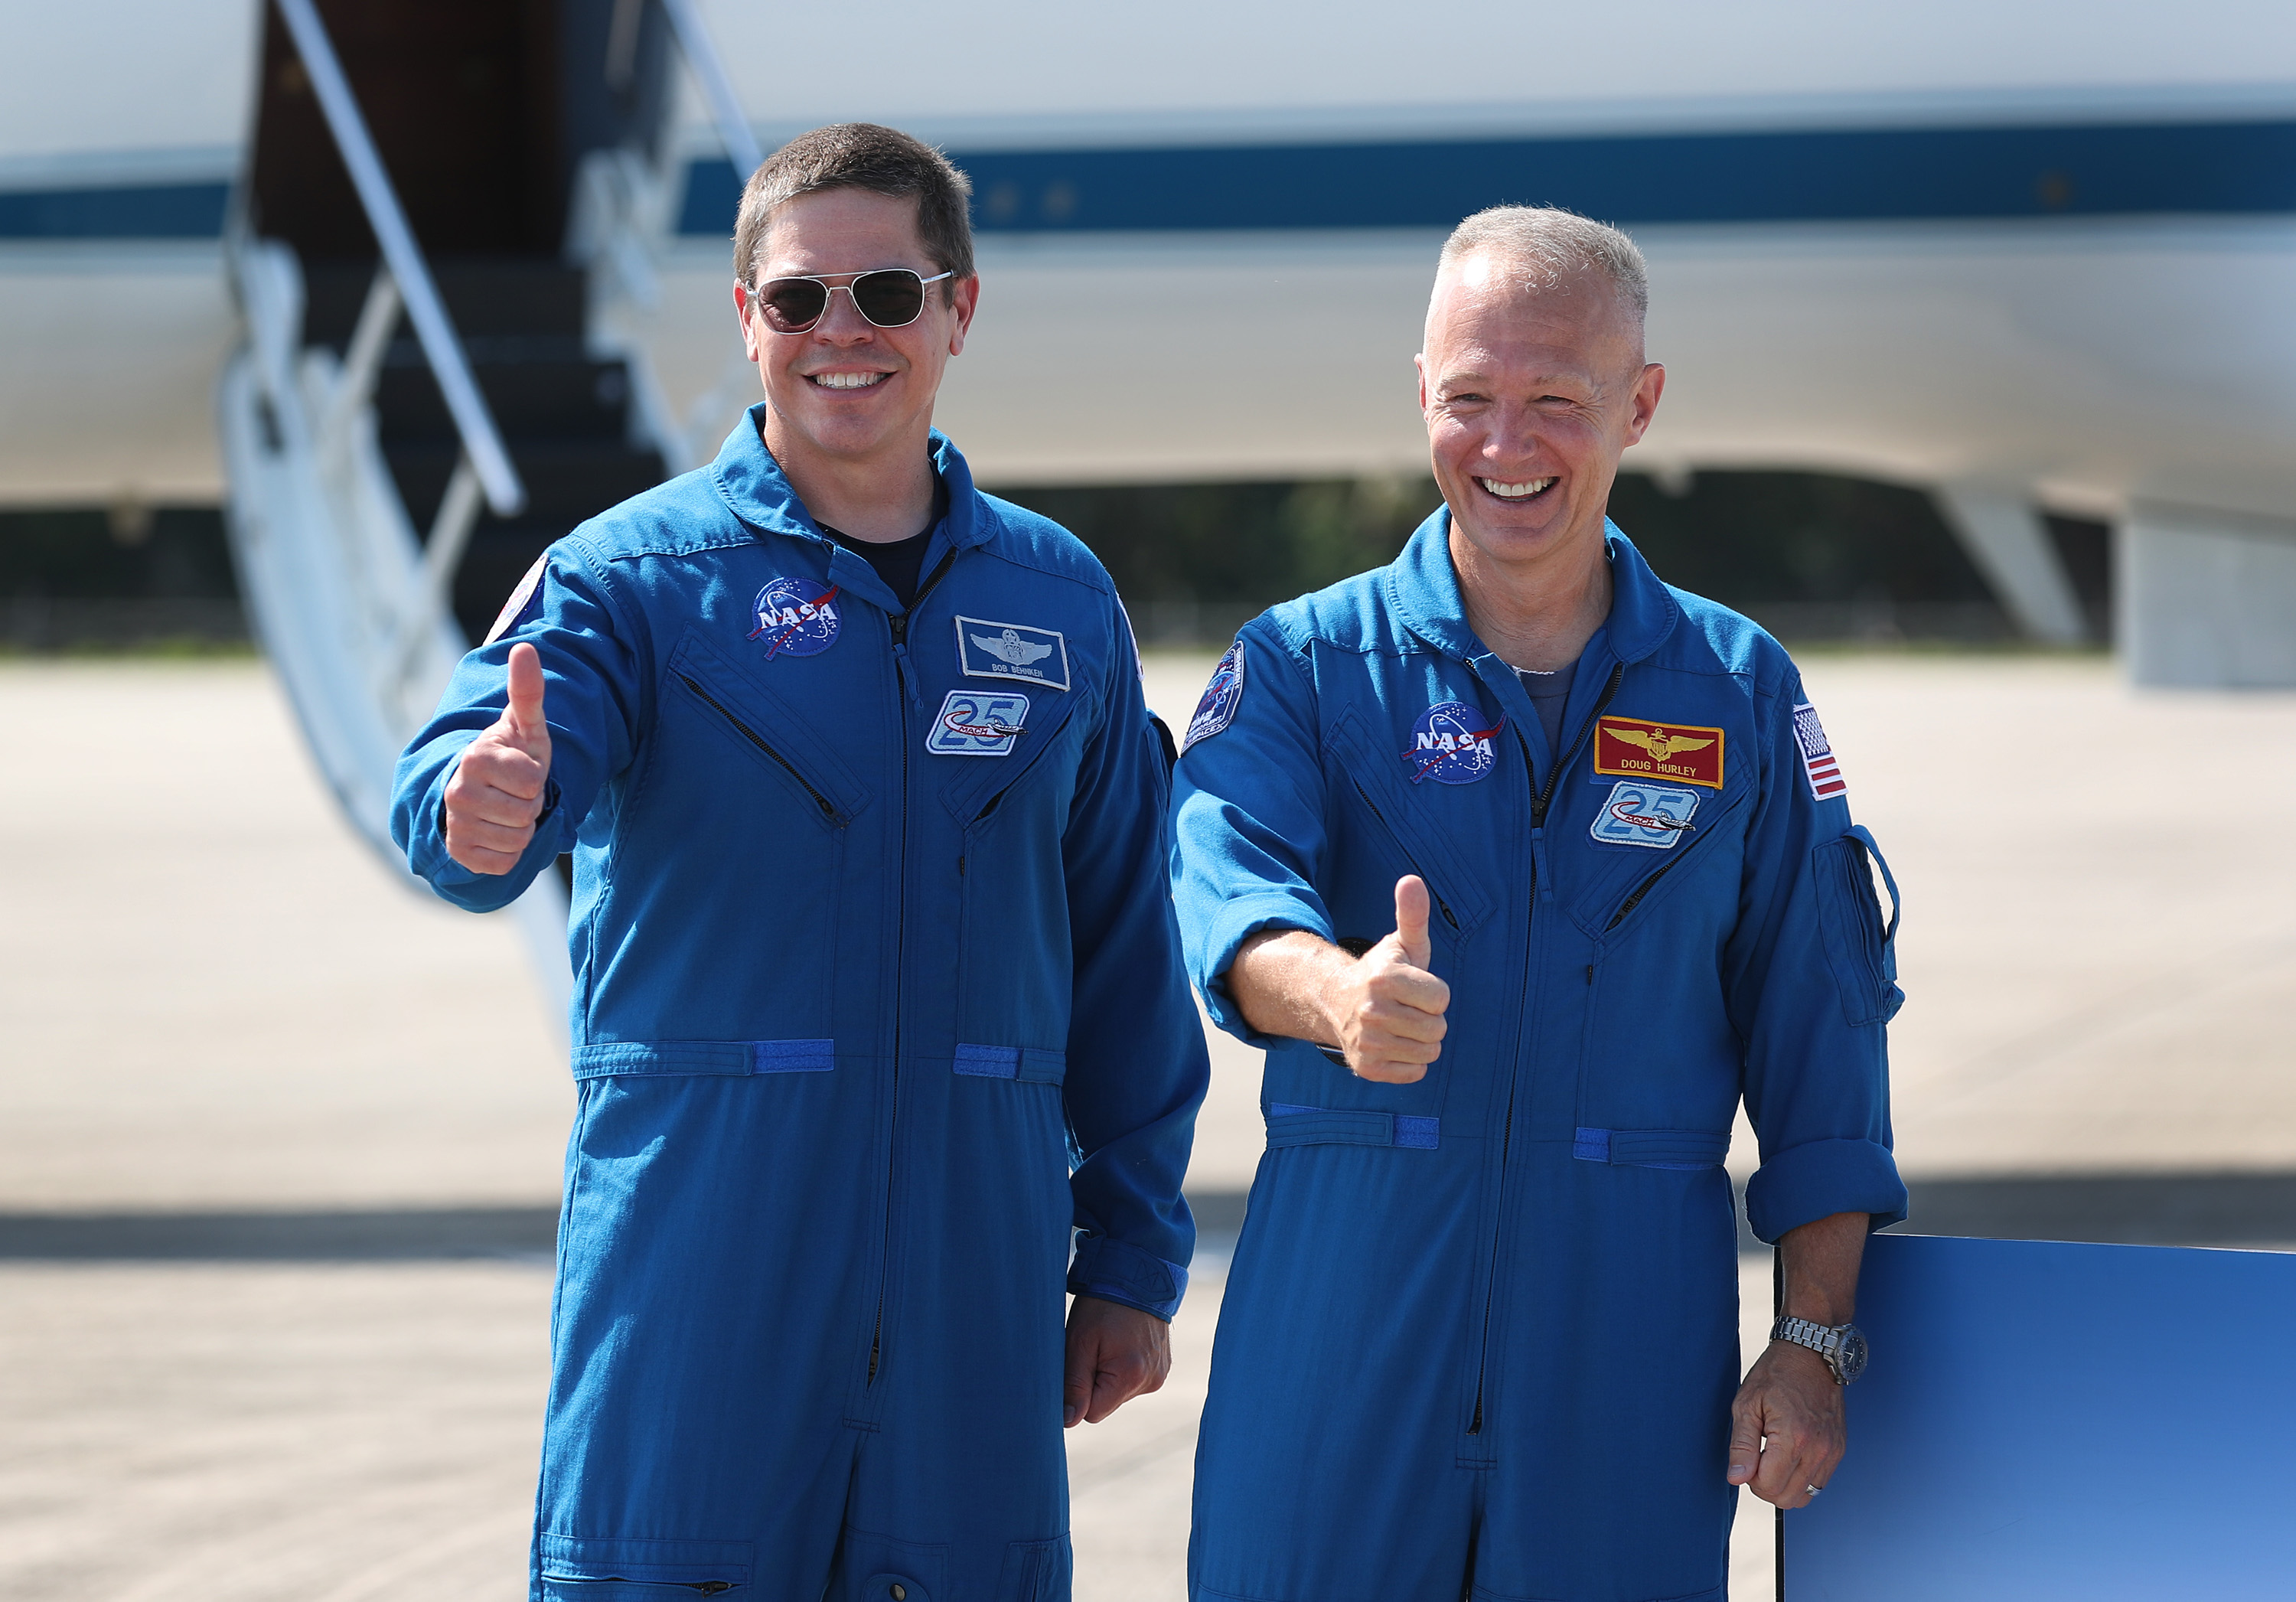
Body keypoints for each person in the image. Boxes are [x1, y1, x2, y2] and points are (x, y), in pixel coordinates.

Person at [391, 123, 1207, 1602]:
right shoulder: (630, 577)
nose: (843, 332)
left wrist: (1134, 1257)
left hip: (976, 1288)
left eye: (886, 295)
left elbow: (1124, 956)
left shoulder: (1059, 600)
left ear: (960, 309)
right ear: (746, 319)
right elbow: (475, 780)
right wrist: (479, 805)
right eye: (797, 298)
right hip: (700, 1277)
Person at [1169, 206, 1908, 1602]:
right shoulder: (1307, 667)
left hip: (1626, 1360)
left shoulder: (1739, 695)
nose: (1506, 448)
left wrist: (1811, 1348)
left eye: (1555, 401)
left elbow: (1825, 1051)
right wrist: (1335, 997)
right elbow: (1224, 896)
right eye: (1470, 400)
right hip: (1339, 1345)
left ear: (1641, 403)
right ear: (1423, 394)